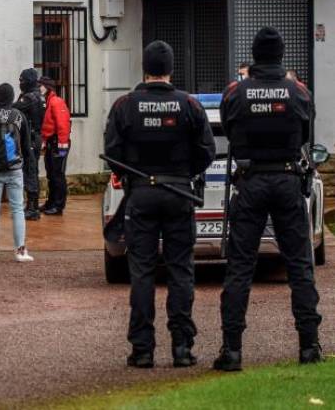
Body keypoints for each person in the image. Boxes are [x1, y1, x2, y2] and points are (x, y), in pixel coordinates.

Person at [214, 27, 322, 372]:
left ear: (255, 54)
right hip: (289, 178)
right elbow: (306, 132)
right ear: (281, 54)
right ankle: (309, 345)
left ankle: (232, 350)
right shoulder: (298, 91)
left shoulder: (236, 91)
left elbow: (229, 129)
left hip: (251, 180)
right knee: (300, 264)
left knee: (240, 266)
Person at [105, 40, 215, 369]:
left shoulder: (125, 105)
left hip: (140, 193)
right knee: (181, 271)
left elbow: (112, 151)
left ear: (145, 68)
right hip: (179, 193)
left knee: (142, 272)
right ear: (169, 70)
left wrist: (129, 176)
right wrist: (183, 174)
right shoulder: (189, 105)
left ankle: (142, 349)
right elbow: (207, 151)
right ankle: (182, 347)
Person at [0, 83, 34, 263]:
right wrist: (26, 167)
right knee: (17, 208)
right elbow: (26, 146)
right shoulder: (20, 116)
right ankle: (20, 250)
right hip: (15, 169)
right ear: (11, 98)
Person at [13, 68, 46, 220]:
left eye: (22, 81)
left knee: (30, 171)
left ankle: (33, 208)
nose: (20, 83)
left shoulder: (30, 98)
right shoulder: (39, 95)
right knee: (31, 170)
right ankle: (31, 205)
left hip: (31, 138)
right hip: (35, 137)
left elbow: (14, 108)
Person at [39, 76, 72, 216]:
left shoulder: (56, 102)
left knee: (58, 175)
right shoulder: (49, 101)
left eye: (40, 85)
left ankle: (58, 205)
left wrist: (62, 146)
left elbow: (63, 124)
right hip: (52, 143)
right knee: (51, 175)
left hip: (58, 143)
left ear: (47, 87)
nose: (38, 88)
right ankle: (51, 202)